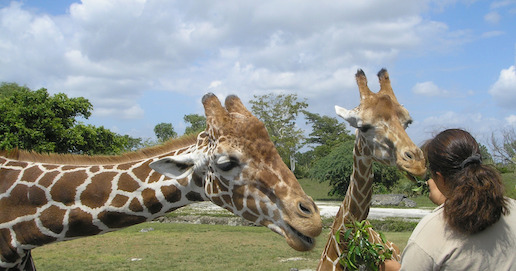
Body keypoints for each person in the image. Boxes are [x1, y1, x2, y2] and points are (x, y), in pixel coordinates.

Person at [382, 128, 516, 270]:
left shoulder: (428, 235)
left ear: (439, 177)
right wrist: (445, 201)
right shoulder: (511, 208)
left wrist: (394, 268)